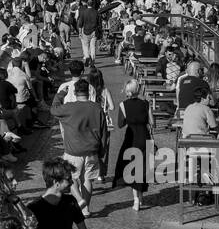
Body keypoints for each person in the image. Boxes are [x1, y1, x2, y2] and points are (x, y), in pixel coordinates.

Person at [54, 78, 107, 217]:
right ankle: (85, 209)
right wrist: (102, 151)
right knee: (87, 180)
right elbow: (104, 132)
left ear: (75, 91)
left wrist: (60, 95)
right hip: (92, 151)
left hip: (73, 151)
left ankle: (79, 200)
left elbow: (53, 110)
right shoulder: (97, 108)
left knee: (70, 179)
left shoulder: (69, 108)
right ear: (88, 91)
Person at [115, 80, 153, 209]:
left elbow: (120, 124)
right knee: (143, 169)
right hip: (145, 137)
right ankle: (140, 197)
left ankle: (136, 199)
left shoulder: (123, 105)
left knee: (133, 169)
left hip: (131, 139)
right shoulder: (145, 103)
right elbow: (152, 122)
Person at [78, 0, 102, 64]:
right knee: (93, 46)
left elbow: (80, 24)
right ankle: (93, 60)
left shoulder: (83, 12)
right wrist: (100, 32)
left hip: (85, 31)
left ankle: (87, 56)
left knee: (85, 46)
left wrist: (80, 32)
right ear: (93, 4)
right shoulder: (96, 12)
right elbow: (99, 24)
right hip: (94, 31)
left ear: (87, 4)